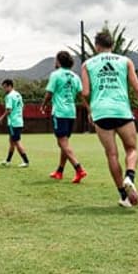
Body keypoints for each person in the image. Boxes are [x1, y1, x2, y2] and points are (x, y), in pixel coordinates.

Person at [81, 31, 138, 207]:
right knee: (131, 149)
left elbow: (85, 92)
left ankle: (123, 195)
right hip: (122, 110)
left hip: (101, 113)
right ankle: (130, 176)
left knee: (112, 154)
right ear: (112, 44)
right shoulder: (125, 61)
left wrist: (91, 109)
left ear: (96, 46)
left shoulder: (87, 64)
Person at [40, 51, 88, 183]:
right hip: (71, 113)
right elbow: (82, 96)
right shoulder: (75, 76)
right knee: (64, 143)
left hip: (60, 112)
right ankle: (59, 171)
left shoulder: (55, 75)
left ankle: (79, 169)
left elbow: (49, 93)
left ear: (59, 61)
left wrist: (43, 105)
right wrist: (89, 110)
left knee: (62, 143)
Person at [0, 79, 30, 167]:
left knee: (16, 142)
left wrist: (1, 117)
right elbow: (22, 107)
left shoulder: (9, 96)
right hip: (19, 121)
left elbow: (9, 110)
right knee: (11, 141)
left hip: (13, 122)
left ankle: (26, 161)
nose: (4, 89)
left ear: (9, 86)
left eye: (5, 87)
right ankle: (8, 161)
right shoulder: (18, 94)